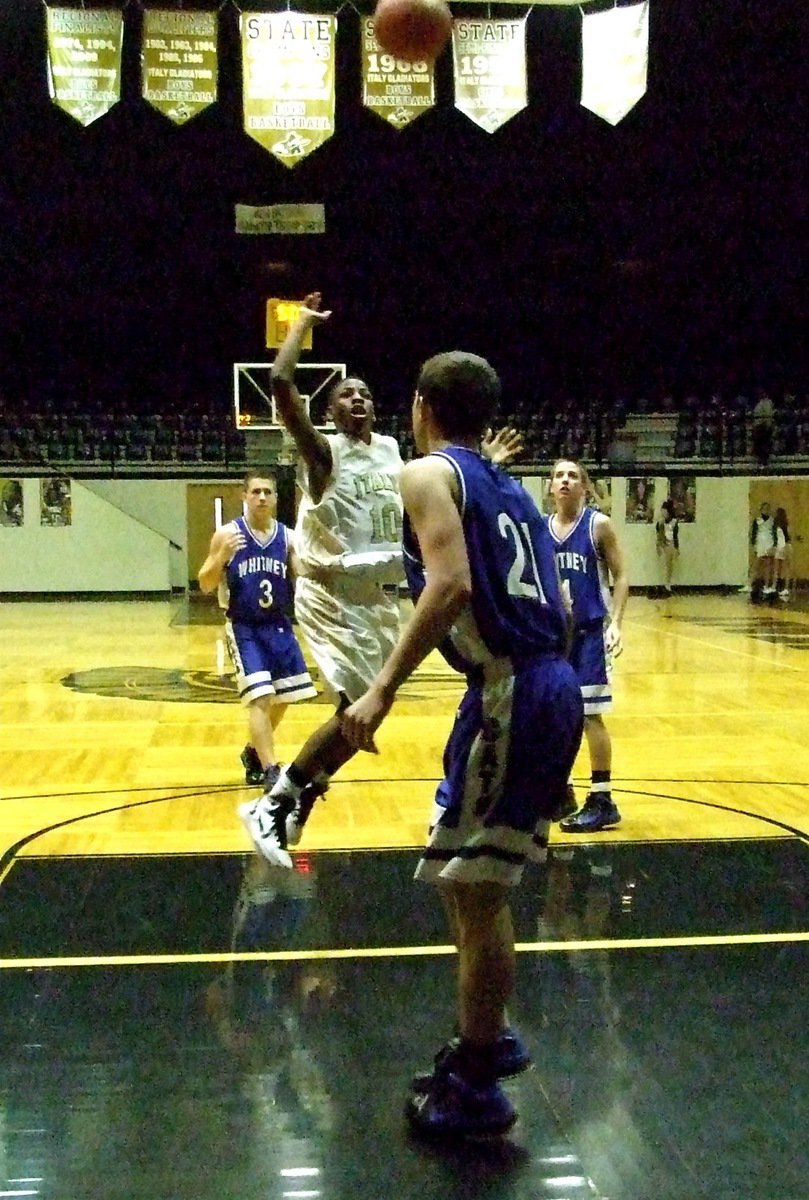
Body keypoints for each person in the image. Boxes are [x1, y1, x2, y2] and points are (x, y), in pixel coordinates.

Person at [340, 351, 583, 1140]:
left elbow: (448, 587)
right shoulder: (507, 485)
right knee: (461, 879)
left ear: (418, 407)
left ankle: (479, 1084)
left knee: (479, 894)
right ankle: (484, 1038)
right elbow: (563, 607)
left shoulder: (423, 473)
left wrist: (380, 688)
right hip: (530, 686)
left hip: (512, 688)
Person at [241, 292, 525, 868]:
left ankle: (295, 798)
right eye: (347, 393)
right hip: (330, 595)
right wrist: (299, 327)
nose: (360, 399)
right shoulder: (324, 454)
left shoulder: (396, 453)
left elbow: (444, 490)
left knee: (366, 710)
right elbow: (278, 381)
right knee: (356, 703)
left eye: (366, 393)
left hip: (378, 596)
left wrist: (481, 462)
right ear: (332, 411)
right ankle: (276, 803)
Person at [198, 471, 317, 788]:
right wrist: (221, 558)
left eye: (268, 492)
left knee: (285, 696)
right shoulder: (227, 535)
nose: (262, 497)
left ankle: (253, 753)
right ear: (244, 496)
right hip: (244, 626)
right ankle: (270, 769)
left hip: (278, 626)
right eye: (256, 492)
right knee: (261, 698)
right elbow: (205, 584)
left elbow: (302, 577)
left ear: (276, 498)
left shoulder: (287, 538)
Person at [547, 459, 628, 834]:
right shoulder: (542, 530)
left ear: (585, 487)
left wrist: (618, 624)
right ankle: (561, 790)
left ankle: (603, 799)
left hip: (590, 634)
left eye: (573, 476)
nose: (566, 480)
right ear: (550, 487)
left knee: (589, 715)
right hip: (554, 638)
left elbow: (622, 574)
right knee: (553, 717)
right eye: (559, 475)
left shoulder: (598, 525)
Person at [742, 501, 776, 600]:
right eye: (764, 508)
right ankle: (749, 583)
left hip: (769, 543)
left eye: (768, 509)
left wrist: (774, 545)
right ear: (761, 510)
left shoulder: (772, 521)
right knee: (755, 565)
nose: (766, 510)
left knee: (768, 566)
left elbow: (774, 534)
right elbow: (754, 533)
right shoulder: (757, 520)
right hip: (760, 543)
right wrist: (753, 544)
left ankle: (766, 586)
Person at [655, 498, 680, 596]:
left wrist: (677, 548)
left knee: (670, 566)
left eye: (664, 511)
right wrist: (658, 546)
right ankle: (664, 585)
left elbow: (675, 536)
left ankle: (668, 585)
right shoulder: (660, 522)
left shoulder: (674, 522)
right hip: (663, 545)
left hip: (671, 545)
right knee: (664, 566)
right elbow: (658, 535)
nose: (663, 513)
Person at [773, 506, 793, 601]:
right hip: (787, 546)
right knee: (786, 569)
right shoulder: (786, 524)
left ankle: (774, 586)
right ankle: (786, 588)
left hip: (781, 546)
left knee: (777, 568)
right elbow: (789, 536)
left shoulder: (777, 525)